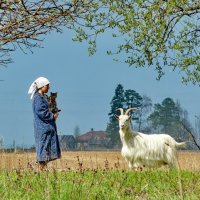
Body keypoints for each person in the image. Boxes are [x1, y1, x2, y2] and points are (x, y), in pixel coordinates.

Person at [28, 77, 61, 170]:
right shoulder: (37, 98)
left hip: (47, 128)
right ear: (41, 86)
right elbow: (41, 112)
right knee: (43, 149)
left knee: (47, 151)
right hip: (42, 128)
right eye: (47, 85)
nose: (49, 87)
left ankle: (41, 170)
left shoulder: (44, 97)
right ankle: (40, 170)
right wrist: (52, 116)